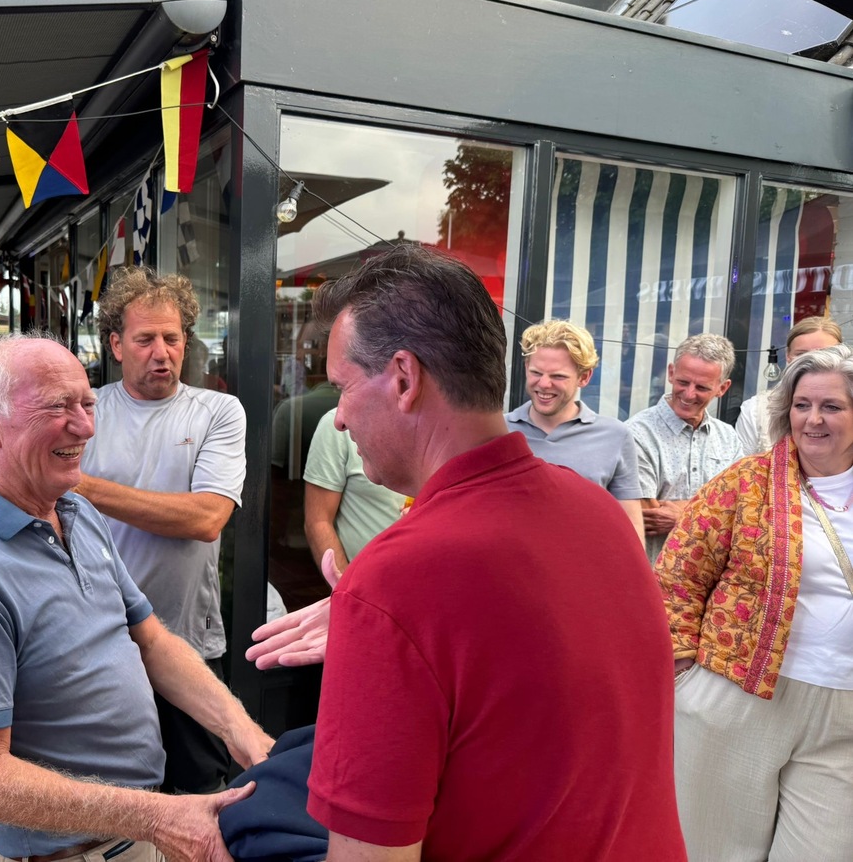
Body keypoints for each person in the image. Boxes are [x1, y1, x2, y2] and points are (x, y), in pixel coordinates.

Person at [256, 245, 685, 861]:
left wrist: (382, 616)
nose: (340, 418)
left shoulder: (398, 580)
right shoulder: (599, 514)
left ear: (404, 378)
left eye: (342, 387)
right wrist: (399, 629)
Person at [0, 333, 273, 862]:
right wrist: (159, 816)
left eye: (87, 404)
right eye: (58, 407)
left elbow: (152, 642)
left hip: (134, 832)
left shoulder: (75, 512)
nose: (86, 426)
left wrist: (242, 731)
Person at [656, 344, 853, 860]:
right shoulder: (746, 483)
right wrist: (686, 674)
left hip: (844, 715)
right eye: (802, 405)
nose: (813, 419)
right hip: (738, 695)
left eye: (831, 406)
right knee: (716, 851)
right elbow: (677, 576)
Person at [78, 267, 247, 795]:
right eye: (145, 339)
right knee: (117, 799)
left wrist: (81, 485)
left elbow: (206, 519)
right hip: (100, 641)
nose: (161, 353)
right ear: (116, 345)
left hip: (187, 639)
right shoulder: (86, 412)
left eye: (172, 338)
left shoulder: (217, 411)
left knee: (202, 792)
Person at [505, 319, 646, 542]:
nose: (544, 384)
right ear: (525, 367)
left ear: (584, 377)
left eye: (558, 376)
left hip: (586, 562)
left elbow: (631, 527)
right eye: (536, 373)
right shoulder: (499, 432)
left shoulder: (615, 436)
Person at [627, 333, 742, 561]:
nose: (689, 394)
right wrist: (715, 509)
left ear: (723, 388)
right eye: (683, 382)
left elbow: (742, 507)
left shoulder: (728, 437)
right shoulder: (636, 433)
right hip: (656, 573)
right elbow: (647, 514)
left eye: (702, 387)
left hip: (711, 577)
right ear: (671, 373)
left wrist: (682, 515)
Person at [303, 408, 405, 574]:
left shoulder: (437, 422)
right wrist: (344, 585)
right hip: (366, 582)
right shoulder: (337, 425)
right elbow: (318, 521)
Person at [735, 316, 843, 455]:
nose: (811, 363)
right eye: (801, 354)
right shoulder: (755, 410)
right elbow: (743, 464)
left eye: (824, 355)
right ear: (788, 355)